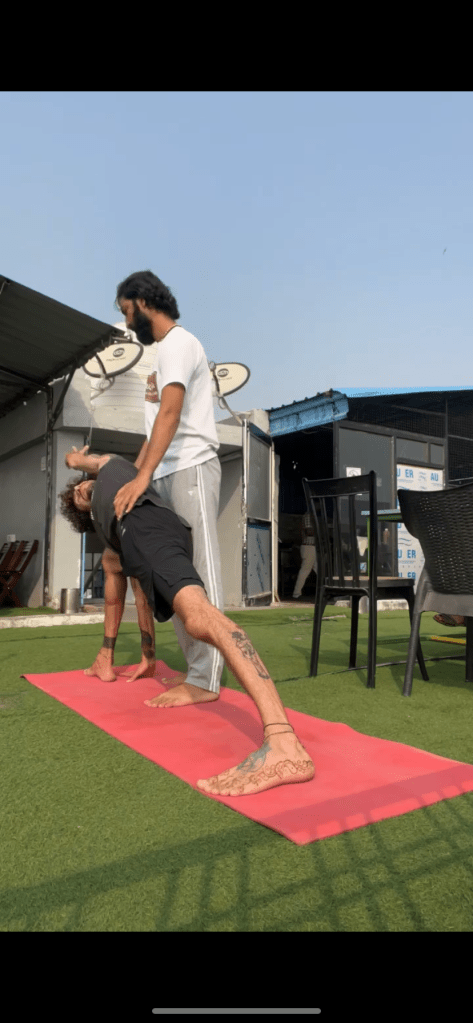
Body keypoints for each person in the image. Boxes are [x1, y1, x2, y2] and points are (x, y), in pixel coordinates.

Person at [58, 450, 315, 797]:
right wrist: (146, 653)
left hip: (149, 529)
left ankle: (284, 743)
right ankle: (106, 657)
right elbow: (135, 593)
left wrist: (74, 462)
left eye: (79, 488)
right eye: (77, 501)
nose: (79, 493)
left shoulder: (113, 469)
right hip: (154, 532)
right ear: (85, 516)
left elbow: (89, 464)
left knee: (200, 618)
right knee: (127, 572)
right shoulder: (110, 525)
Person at [103, 269, 225, 710]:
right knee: (172, 575)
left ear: (141, 300)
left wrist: (142, 477)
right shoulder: (162, 355)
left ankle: (207, 676)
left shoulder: (179, 343)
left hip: (191, 468)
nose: (127, 321)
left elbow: (171, 415)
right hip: (164, 472)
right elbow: (156, 428)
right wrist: (134, 475)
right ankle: (198, 671)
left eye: (125, 310)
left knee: (201, 574)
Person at [292, 509, 317, 600]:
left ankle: (327, 591)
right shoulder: (308, 516)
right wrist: (320, 531)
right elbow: (308, 531)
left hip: (312, 547)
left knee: (320, 570)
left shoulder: (311, 516)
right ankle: (296, 593)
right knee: (305, 571)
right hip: (309, 547)